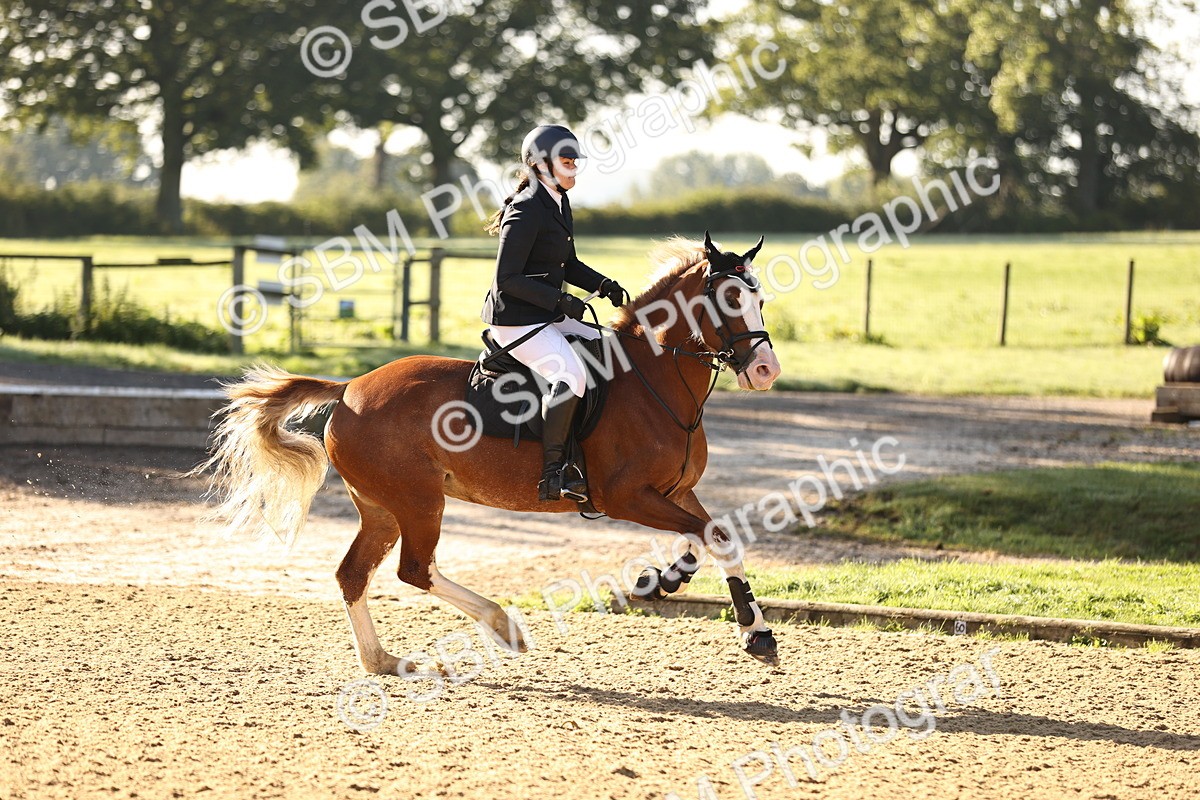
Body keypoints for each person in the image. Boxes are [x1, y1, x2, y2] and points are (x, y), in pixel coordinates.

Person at [482, 124, 626, 503]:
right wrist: (560, 301)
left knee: (615, 349)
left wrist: (603, 283)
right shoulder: (526, 208)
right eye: (567, 161)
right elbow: (507, 278)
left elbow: (569, 264)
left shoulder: (558, 202)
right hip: (515, 320)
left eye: (575, 161)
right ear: (540, 165)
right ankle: (554, 473)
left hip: (545, 314)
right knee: (572, 375)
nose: (574, 168)